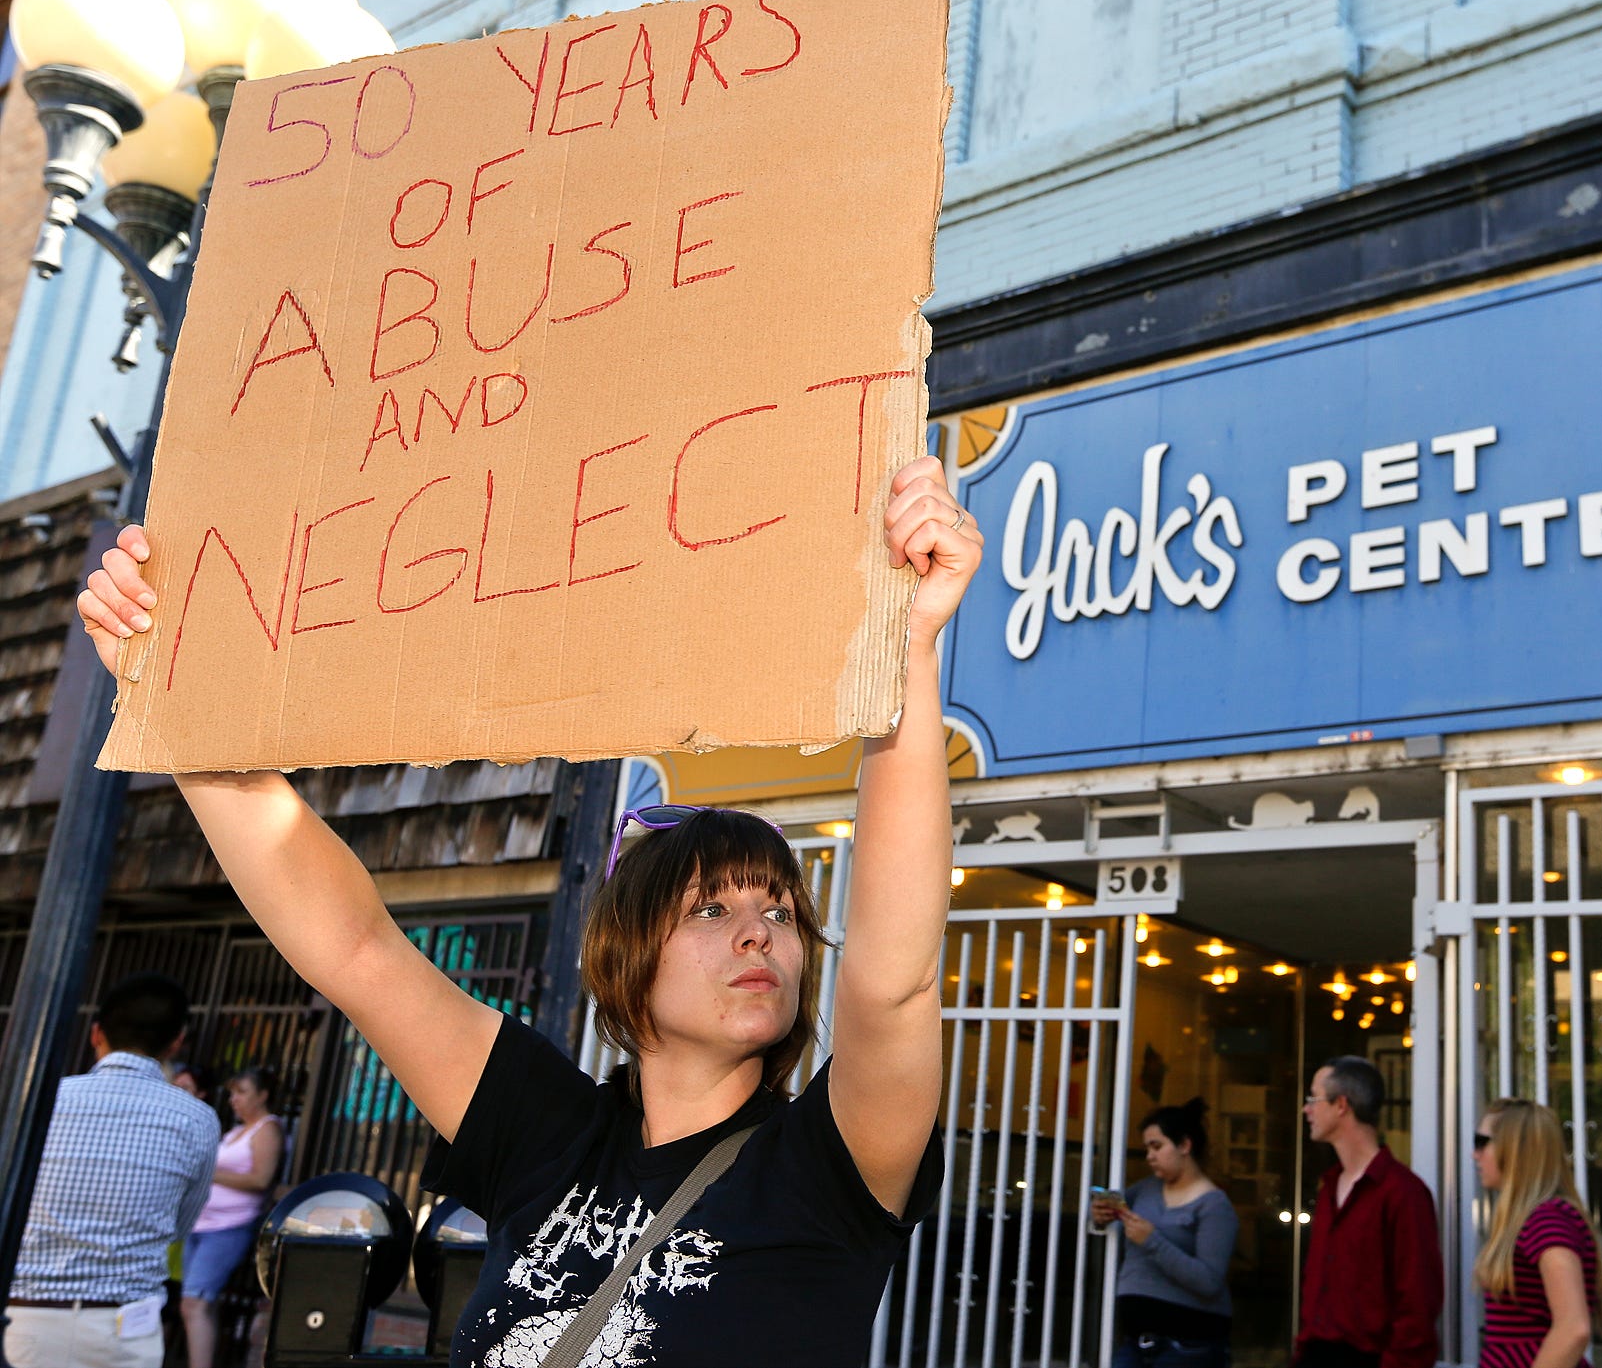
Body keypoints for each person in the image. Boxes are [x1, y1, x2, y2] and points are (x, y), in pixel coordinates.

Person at [75, 455, 982, 1368]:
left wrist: (905, 650)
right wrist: (174, 705)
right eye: (710, 906)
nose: (760, 930)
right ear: (627, 953)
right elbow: (358, 950)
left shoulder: (829, 1162)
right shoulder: (548, 1130)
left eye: (781, 911)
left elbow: (892, 983)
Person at [4, 973, 220, 1368]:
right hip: (125, 1329)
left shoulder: (44, 1100)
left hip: (26, 1318)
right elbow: (180, 1226)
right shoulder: (198, 1118)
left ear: (96, 1033)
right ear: (177, 1042)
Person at [1295, 1056, 1442, 1368]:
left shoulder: (1404, 1193)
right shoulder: (1329, 1187)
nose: (1307, 1109)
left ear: (1341, 1105)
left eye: (1313, 1098)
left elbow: (1417, 1302)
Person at [1094, 1098, 1239, 1368]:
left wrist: (1152, 1241)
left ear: (1184, 1145)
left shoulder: (1214, 1205)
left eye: (1157, 1146)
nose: (1149, 1156)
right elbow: (1116, 1214)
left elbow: (1209, 1282)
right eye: (1147, 1148)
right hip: (1136, 1342)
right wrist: (1101, 1216)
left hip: (1189, 1345)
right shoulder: (1145, 1189)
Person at [1471, 1100, 1600, 1368]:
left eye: (1483, 1142)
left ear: (1515, 1149)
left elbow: (1574, 1328)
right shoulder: (1533, 1218)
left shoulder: (1547, 1219)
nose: (1475, 1154)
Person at [179, 1068, 284, 1368]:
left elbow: (261, 1179)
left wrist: (210, 1172)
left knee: (194, 1302)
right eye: (232, 1093)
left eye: (242, 1092)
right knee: (200, 1303)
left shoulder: (267, 1128)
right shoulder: (235, 1131)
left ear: (262, 1096)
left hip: (228, 1227)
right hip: (201, 1225)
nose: (234, 1100)